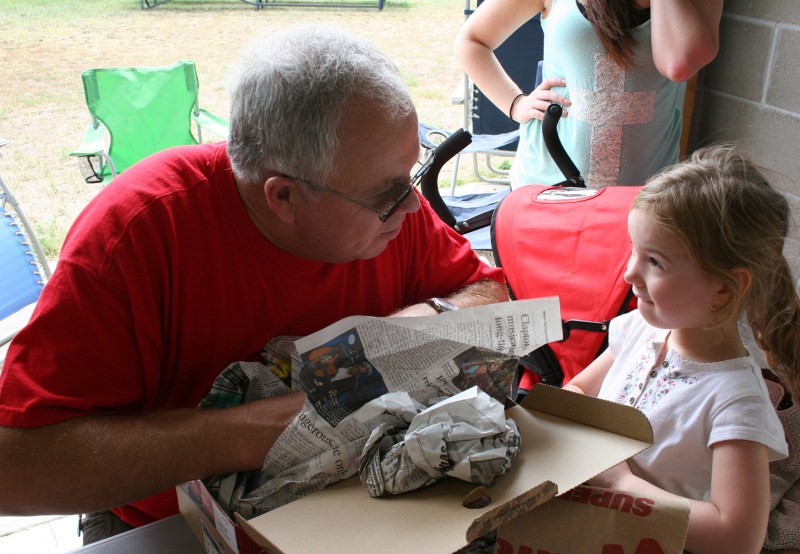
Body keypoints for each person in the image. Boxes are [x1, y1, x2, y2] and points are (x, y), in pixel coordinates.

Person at [0, 25, 509, 544]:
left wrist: (419, 326)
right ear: (283, 197)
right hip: (174, 527)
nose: (412, 205)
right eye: (387, 192)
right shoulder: (140, 231)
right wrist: (253, 432)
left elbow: (492, 294)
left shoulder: (387, 209)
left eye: (412, 176)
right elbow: (17, 468)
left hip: (365, 510)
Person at [563, 144, 799, 554]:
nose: (629, 273)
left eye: (654, 261)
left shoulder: (736, 400)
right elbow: (581, 393)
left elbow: (738, 538)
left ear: (723, 291)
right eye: (635, 251)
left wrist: (621, 484)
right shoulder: (639, 329)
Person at [453, 0, 723, 189]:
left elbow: (680, 63)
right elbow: (472, 41)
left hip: (642, 199)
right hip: (547, 185)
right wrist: (515, 103)